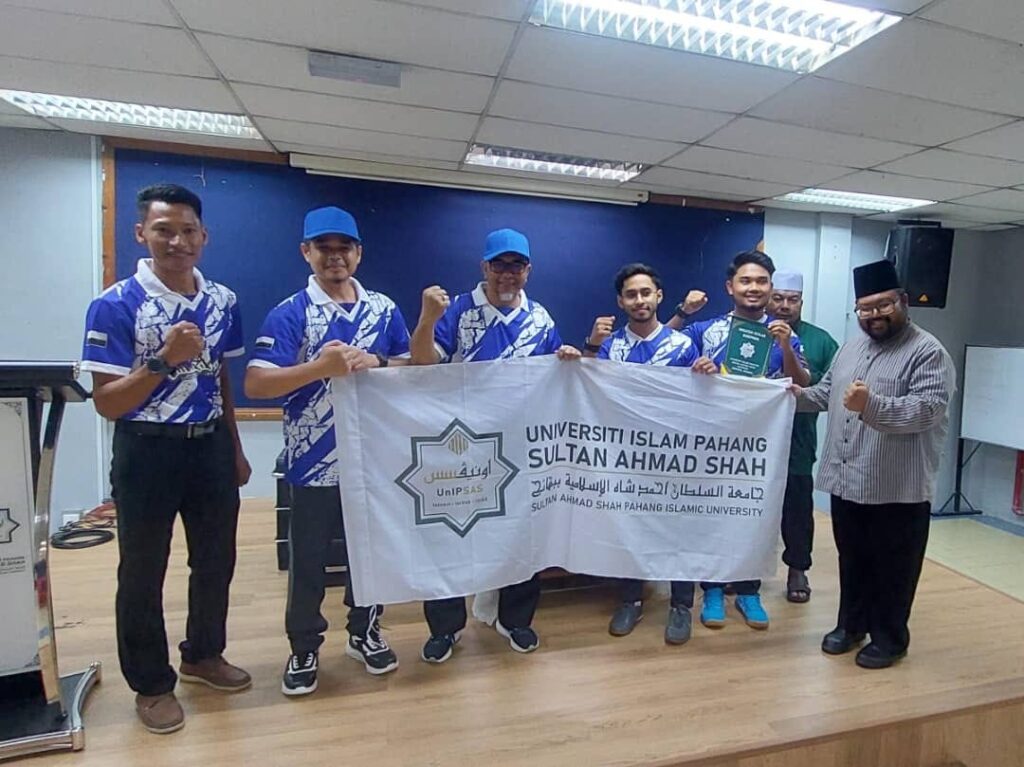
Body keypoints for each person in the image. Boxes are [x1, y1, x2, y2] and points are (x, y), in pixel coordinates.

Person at [80, 184, 252, 735]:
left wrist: (234, 447)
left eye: (187, 231)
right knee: (142, 570)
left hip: (209, 447)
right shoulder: (115, 304)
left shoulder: (222, 300)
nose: (177, 241)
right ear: (141, 234)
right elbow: (107, 402)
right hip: (147, 449)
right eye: (163, 231)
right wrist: (161, 360)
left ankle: (203, 654)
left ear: (203, 236)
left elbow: (221, 376)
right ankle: (151, 684)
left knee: (216, 560)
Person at [245, 206, 411, 696]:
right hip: (312, 463)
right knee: (309, 562)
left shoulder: (383, 309)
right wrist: (321, 368)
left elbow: (411, 366)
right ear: (306, 252)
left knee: (370, 556)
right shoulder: (290, 312)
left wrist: (376, 361)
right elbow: (256, 383)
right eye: (324, 248)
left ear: (359, 253)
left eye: (344, 248)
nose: (335, 256)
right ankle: (304, 646)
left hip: (375, 459)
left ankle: (365, 631)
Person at [409, 227, 580, 663]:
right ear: (484, 267)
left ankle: (515, 618)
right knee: (450, 535)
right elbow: (423, 364)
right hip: (461, 445)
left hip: (520, 445)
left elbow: (554, 375)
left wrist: (566, 360)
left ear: (528, 270)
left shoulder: (540, 318)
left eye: (516, 265)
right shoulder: (457, 310)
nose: (508, 273)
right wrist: (427, 319)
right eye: (499, 265)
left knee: (523, 533)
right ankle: (445, 627)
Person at [792, 259, 954, 669]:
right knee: (853, 559)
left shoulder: (928, 353)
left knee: (894, 568)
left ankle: (890, 639)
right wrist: (789, 396)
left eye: (883, 305)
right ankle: (851, 626)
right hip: (848, 479)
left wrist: (871, 405)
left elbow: (927, 410)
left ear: (902, 302)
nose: (874, 314)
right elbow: (826, 394)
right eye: (865, 308)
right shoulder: (851, 347)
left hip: (897, 487)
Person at [667, 249, 810, 631]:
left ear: (770, 287)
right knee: (712, 516)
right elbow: (664, 351)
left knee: (755, 517)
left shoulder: (784, 333)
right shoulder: (706, 331)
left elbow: (803, 382)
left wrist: (785, 347)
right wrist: (697, 367)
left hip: (760, 446)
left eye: (762, 281)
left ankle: (749, 590)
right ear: (730, 287)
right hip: (712, 445)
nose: (754, 287)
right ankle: (712, 589)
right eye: (746, 280)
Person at [583, 263, 699, 644]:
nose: (639, 300)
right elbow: (586, 388)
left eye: (645, 292)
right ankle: (631, 599)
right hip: (625, 456)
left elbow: (699, 400)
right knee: (628, 527)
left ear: (659, 296)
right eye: (631, 294)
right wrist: (586, 349)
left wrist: (707, 375)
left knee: (678, 528)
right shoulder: (610, 346)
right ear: (621, 301)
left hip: (672, 454)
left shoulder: (682, 346)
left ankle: (681, 605)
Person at [768, 272, 839, 604]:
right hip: (751, 440)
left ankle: (798, 568)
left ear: (801, 302)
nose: (785, 305)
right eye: (778, 298)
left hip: (797, 438)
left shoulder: (821, 341)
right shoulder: (749, 331)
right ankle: (740, 572)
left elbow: (828, 390)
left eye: (792, 299)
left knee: (797, 507)